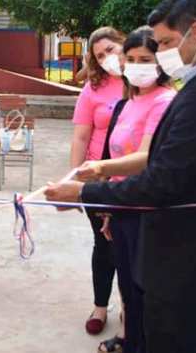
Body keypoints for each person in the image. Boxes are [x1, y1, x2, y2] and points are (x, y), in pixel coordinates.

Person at [46, 0, 196, 353]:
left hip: (191, 267)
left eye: (165, 43)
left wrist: (85, 194)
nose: (162, 53)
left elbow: (163, 181)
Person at [82, 27, 176, 353]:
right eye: (132, 59)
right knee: (128, 285)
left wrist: (97, 170)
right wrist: (110, 207)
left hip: (148, 211)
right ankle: (130, 341)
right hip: (123, 207)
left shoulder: (165, 100)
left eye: (145, 59)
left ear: (161, 61)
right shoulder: (128, 102)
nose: (136, 66)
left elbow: (145, 158)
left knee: (145, 288)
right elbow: (115, 152)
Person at [70, 26, 126, 336]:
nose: (108, 58)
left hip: (134, 180)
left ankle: (129, 306)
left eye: (112, 49)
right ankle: (100, 306)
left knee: (130, 246)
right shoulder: (93, 88)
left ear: (124, 43)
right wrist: (75, 182)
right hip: (98, 179)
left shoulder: (145, 82)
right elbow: (80, 136)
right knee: (103, 245)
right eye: (100, 55)